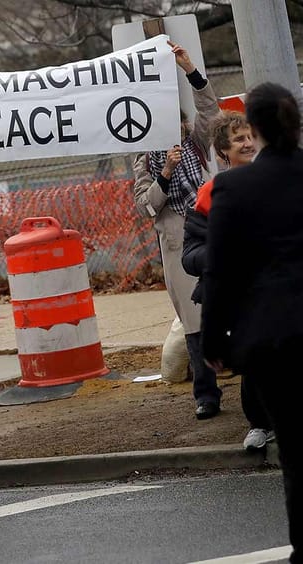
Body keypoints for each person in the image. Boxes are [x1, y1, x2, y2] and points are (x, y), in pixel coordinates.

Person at [201, 82, 303, 563]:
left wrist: (215, 338)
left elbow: (221, 270)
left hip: (274, 337)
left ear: (255, 129)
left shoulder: (235, 187)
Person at [132, 40, 221, 420]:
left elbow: (211, 110)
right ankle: (206, 395)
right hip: (177, 246)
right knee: (193, 323)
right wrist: (165, 172)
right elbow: (147, 205)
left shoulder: (196, 144)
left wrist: (190, 71)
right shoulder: (145, 160)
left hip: (210, 234)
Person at [181, 111, 273, 452]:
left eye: (250, 136)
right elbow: (190, 255)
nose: (247, 143)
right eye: (238, 139)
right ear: (223, 153)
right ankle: (261, 425)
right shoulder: (211, 195)